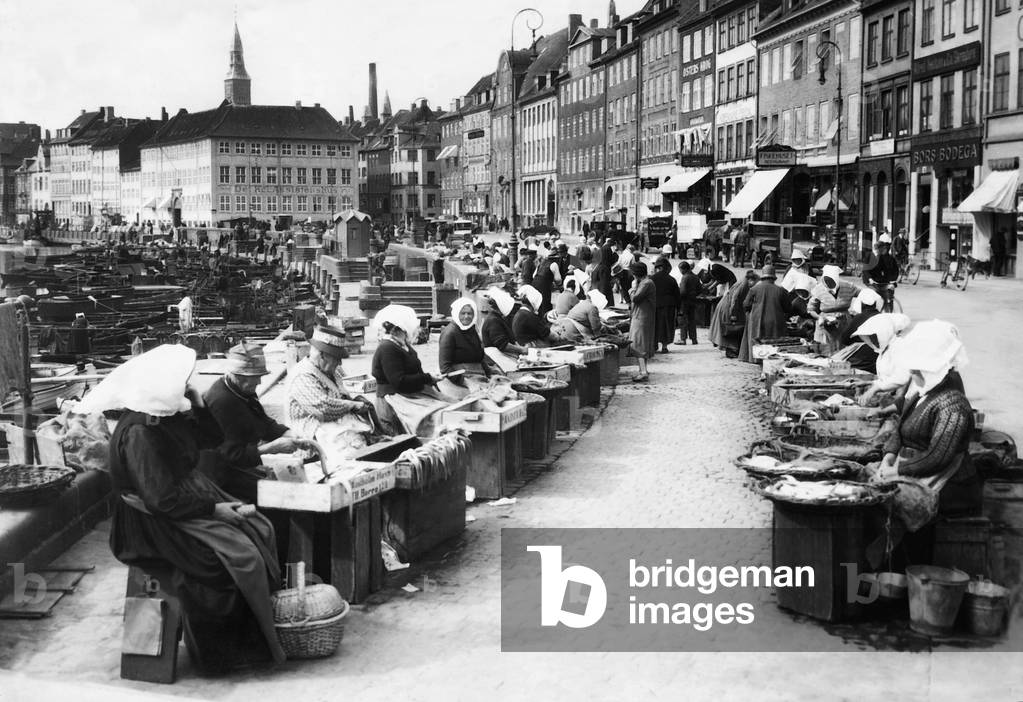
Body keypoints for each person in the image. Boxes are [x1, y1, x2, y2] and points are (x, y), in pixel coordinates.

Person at [80, 345, 285, 675]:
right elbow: (162, 501)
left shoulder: (166, 416)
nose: (184, 386)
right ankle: (220, 657)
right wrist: (215, 510)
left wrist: (199, 402)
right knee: (225, 561)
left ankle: (254, 637)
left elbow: (211, 438)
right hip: (147, 524)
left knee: (259, 528)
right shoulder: (140, 434)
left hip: (178, 504)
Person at [868, 321, 980, 562]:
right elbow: (901, 428)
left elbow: (938, 457)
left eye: (919, 368)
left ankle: (904, 565)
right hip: (913, 467)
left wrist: (896, 470)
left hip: (949, 484)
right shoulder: (923, 391)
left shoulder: (953, 404)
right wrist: (888, 457)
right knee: (866, 481)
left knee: (888, 501)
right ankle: (882, 562)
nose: (913, 373)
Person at [203, 342, 310, 502]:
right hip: (221, 475)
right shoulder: (222, 401)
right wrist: (271, 448)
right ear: (237, 375)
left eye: (259, 376)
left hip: (240, 466)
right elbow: (232, 456)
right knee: (280, 494)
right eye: (254, 378)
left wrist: (292, 435)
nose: (259, 382)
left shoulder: (243, 391)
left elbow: (264, 424)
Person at [371, 305, 451, 437]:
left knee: (451, 404)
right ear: (401, 328)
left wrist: (432, 379)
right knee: (436, 417)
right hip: (396, 397)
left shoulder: (403, 344)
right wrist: (427, 378)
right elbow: (399, 382)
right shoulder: (387, 348)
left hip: (412, 393)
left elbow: (416, 369)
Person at [438, 297, 495, 399]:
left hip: (477, 375)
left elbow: (480, 357)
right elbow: (445, 368)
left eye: (470, 313)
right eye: (462, 313)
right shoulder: (449, 333)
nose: (466, 316)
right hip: (457, 379)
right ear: (456, 314)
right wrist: (466, 382)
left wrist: (490, 374)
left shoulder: (472, 330)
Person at [738, 265, 791, 363]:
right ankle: (773, 358)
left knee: (757, 339)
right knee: (774, 340)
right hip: (776, 320)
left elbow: (746, 304)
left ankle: (756, 358)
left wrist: (751, 310)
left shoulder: (754, 289)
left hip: (757, 319)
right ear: (774, 277)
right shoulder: (781, 290)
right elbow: (787, 308)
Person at [808, 264, 860, 355]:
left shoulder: (849, 287)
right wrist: (819, 317)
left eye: (831, 281)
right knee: (827, 352)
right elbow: (811, 309)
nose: (828, 283)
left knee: (843, 351)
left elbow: (864, 295)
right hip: (825, 325)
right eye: (826, 281)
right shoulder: (818, 289)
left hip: (843, 323)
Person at [710, 270, 758, 358]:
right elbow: (735, 298)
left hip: (727, 305)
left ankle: (732, 350)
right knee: (731, 327)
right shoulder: (744, 284)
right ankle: (730, 350)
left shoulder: (743, 281)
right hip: (728, 307)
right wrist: (733, 314)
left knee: (732, 327)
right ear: (751, 280)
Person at [627, 262, 655, 382]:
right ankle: (643, 369)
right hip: (641, 316)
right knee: (641, 343)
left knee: (639, 344)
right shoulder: (645, 282)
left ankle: (643, 372)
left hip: (641, 317)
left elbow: (635, 298)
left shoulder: (646, 283)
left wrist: (632, 288)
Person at [480, 287, 528, 358]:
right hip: (496, 358)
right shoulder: (493, 320)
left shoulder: (497, 317)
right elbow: (502, 344)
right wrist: (522, 350)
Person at [861, 234, 900, 309]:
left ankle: (888, 310)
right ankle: (872, 310)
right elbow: (865, 270)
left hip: (878, 279)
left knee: (888, 291)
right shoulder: (868, 256)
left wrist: (890, 281)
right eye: (881, 250)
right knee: (874, 293)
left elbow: (884, 270)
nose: (882, 252)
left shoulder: (881, 257)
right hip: (868, 280)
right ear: (877, 249)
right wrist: (870, 279)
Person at [651, 257, 681, 353]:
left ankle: (654, 345)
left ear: (657, 268)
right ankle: (664, 346)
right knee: (667, 326)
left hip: (655, 305)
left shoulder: (652, 278)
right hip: (669, 306)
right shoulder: (671, 279)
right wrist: (679, 308)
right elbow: (677, 295)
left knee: (655, 325)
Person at [677, 260, 702, 345]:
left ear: (684, 269)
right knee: (692, 320)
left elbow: (683, 291)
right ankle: (694, 339)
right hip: (693, 300)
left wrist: (679, 298)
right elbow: (700, 289)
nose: (680, 272)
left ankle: (683, 339)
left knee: (683, 320)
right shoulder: (695, 277)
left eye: (680, 269)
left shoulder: (685, 277)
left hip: (685, 301)